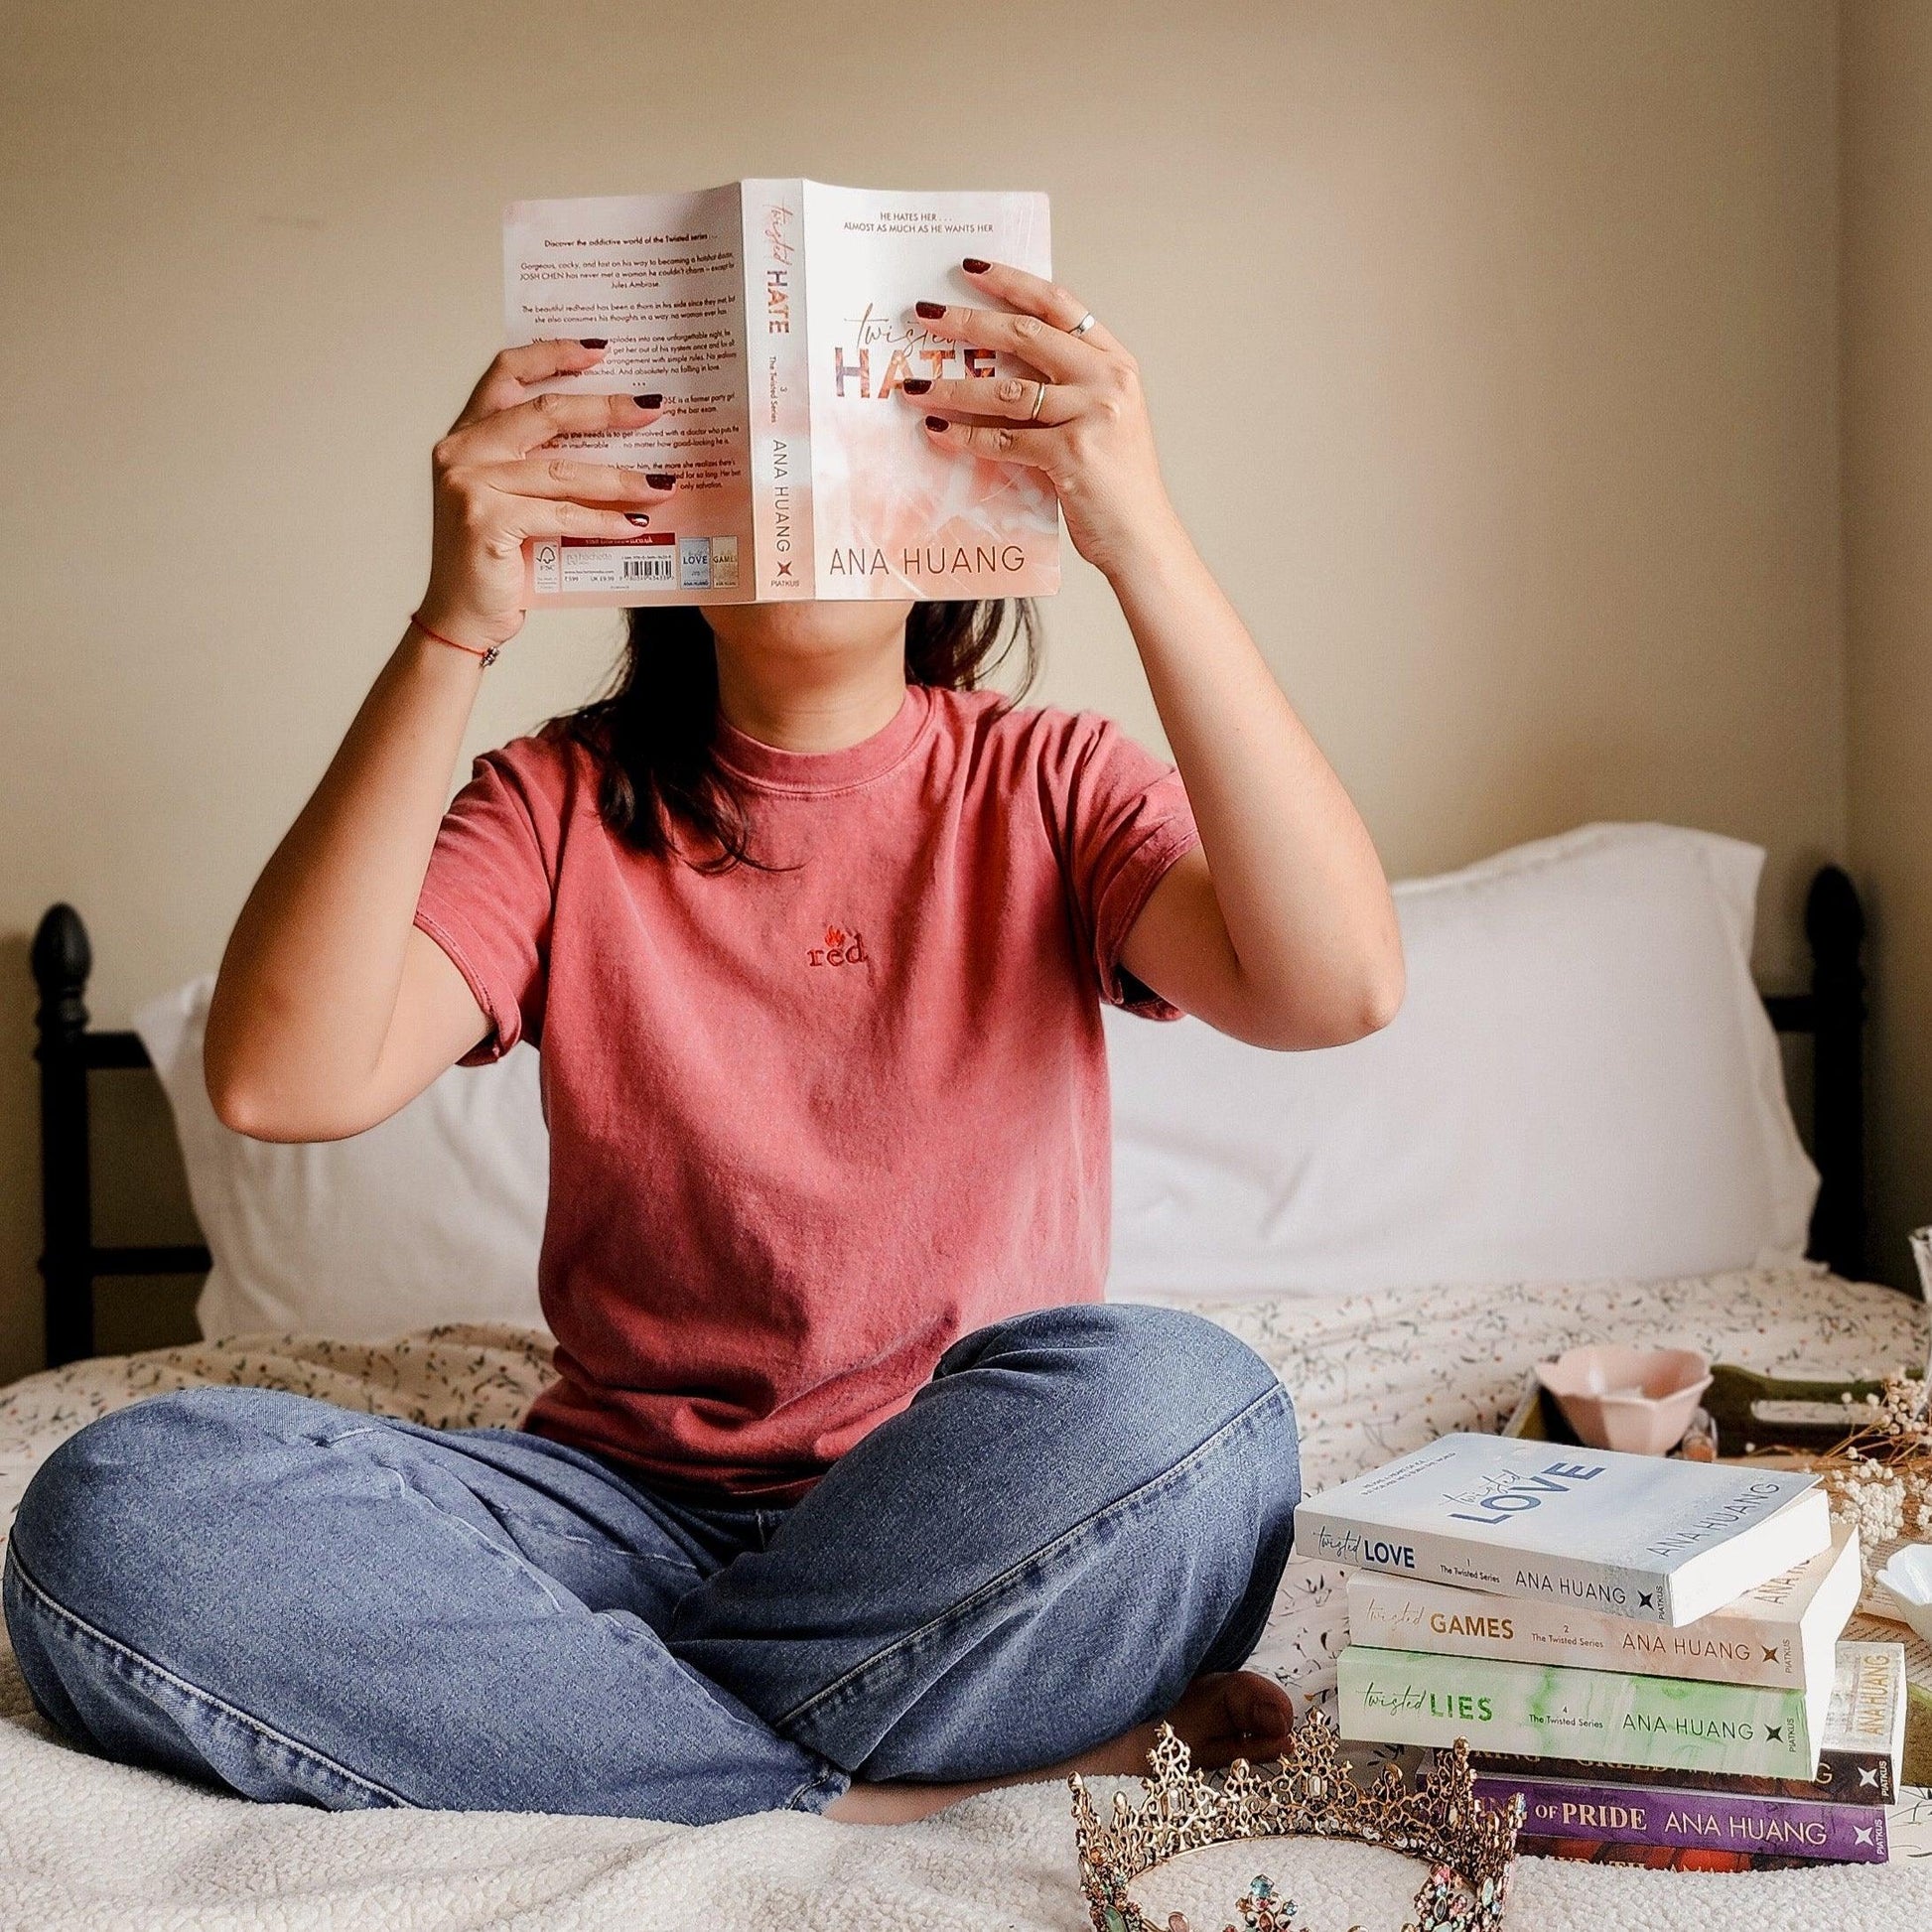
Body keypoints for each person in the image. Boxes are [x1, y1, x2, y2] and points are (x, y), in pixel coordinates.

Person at [3, 260, 1403, 1826]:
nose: (807, 495)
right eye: (750, 450)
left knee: (1190, 1404)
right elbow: (283, 1078)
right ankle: (854, 1789)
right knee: (122, 1507)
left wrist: (1138, 532)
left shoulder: (1048, 781)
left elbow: (1336, 983)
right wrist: (451, 627)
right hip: (614, 1510)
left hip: (964, 1517)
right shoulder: (552, 803)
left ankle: (572, 1712)